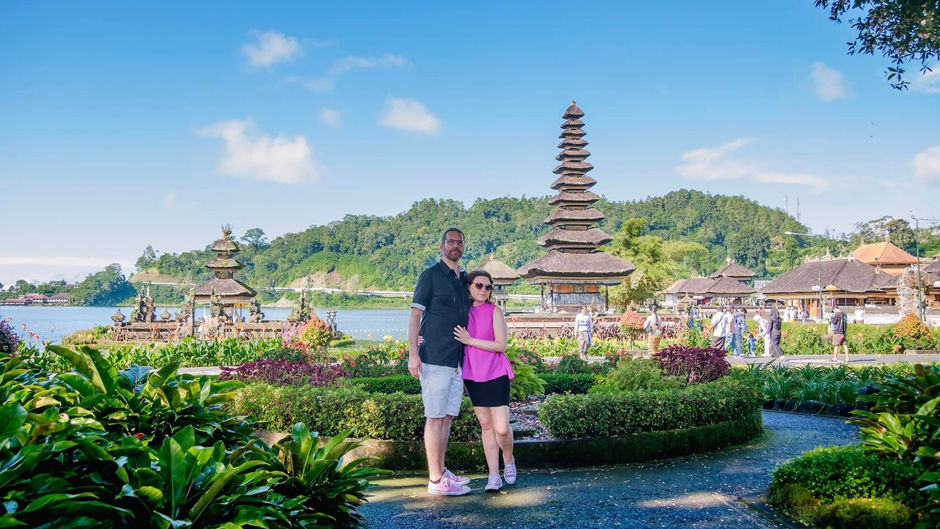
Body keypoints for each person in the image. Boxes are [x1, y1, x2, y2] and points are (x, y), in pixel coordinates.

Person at [409, 228, 472, 496]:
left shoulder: (464, 279)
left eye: (460, 242)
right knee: (434, 418)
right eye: (451, 242)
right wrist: (413, 353)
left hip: (456, 360)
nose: (455, 246)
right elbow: (414, 317)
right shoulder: (430, 276)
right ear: (441, 245)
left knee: (446, 417)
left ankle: (442, 470)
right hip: (434, 357)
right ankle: (435, 481)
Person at [454, 269, 516, 492]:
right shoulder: (462, 312)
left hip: (496, 372)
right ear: (469, 287)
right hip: (472, 374)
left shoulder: (494, 311)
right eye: (478, 285)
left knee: (501, 428)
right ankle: (493, 475)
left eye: (487, 286)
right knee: (486, 426)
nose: (483, 290)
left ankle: (508, 459)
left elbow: (501, 345)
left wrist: (471, 340)